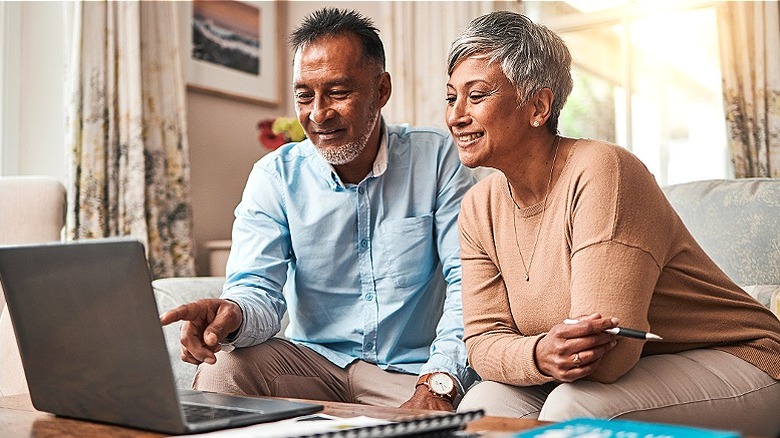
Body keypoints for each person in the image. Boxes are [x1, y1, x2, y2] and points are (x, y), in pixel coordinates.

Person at [445, 11, 780, 436]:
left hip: (741, 359)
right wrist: (539, 354)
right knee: (480, 406)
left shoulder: (604, 170)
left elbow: (609, 356)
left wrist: (539, 353)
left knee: (574, 408)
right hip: (622, 372)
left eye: (476, 96)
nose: (455, 115)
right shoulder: (479, 206)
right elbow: (481, 342)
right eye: (450, 97)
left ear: (538, 107)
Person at [160, 8, 476, 411]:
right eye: (304, 95)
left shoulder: (436, 159)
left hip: (411, 373)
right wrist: (232, 312)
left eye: (339, 92)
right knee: (225, 366)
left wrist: (439, 382)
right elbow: (258, 288)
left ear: (381, 91)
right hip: (312, 367)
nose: (318, 114)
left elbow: (469, 284)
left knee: (478, 410)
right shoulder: (275, 176)